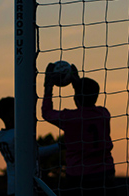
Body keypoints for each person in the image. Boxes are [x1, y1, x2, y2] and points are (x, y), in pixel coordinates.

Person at [41, 63, 115, 196]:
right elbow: (83, 98)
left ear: (75, 97)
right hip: (105, 173)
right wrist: (77, 81)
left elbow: (47, 113)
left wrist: (48, 86)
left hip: (79, 176)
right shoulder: (104, 114)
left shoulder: (70, 118)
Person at [0, 97, 58, 196]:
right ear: (11, 114)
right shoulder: (17, 135)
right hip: (27, 185)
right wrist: (60, 146)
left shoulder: (0, 136)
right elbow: (35, 153)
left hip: (12, 188)